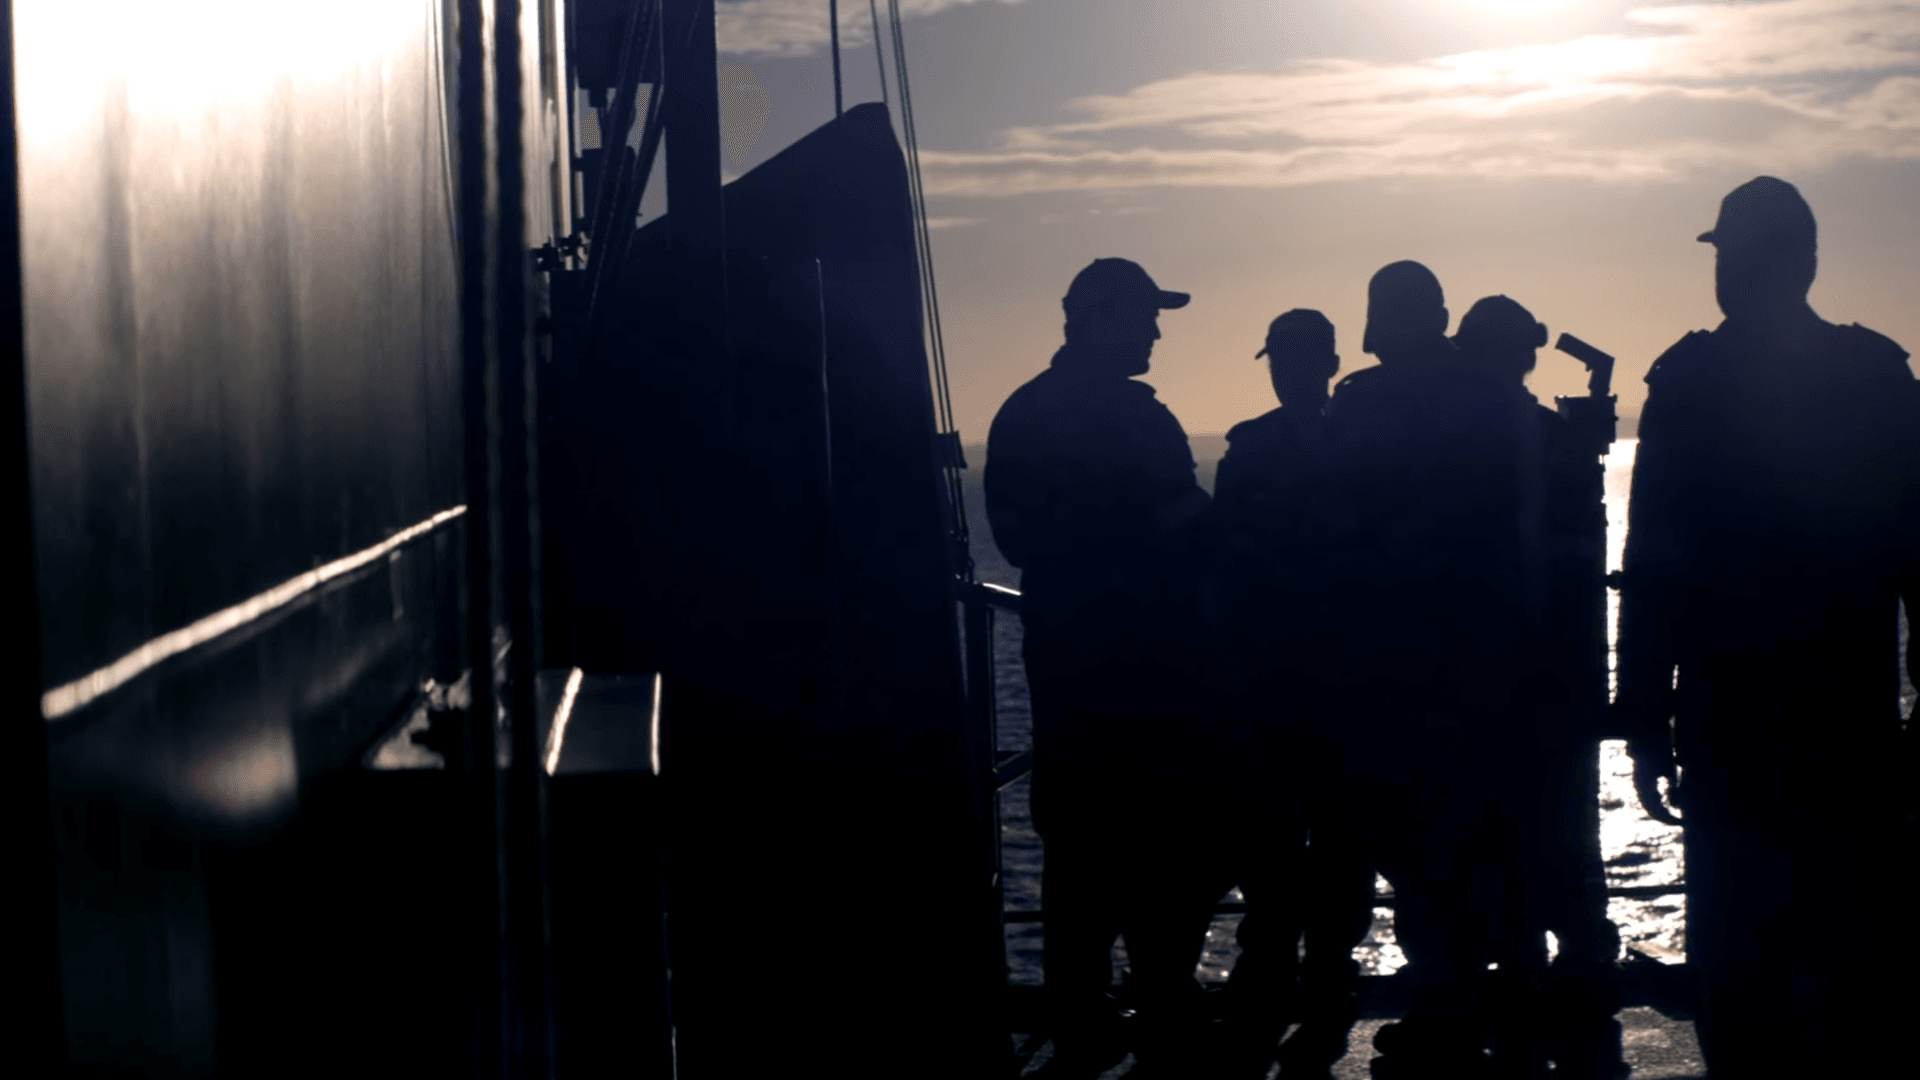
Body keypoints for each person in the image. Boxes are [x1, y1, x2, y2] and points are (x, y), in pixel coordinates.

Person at [1616, 176, 1920, 1076]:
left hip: (1733, 719)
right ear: (1810, 261)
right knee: (1857, 959)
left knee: (1744, 968)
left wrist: (1642, 711)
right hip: (1848, 715)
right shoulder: (1876, 373)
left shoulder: (1688, 380)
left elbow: (1655, 558)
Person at [985, 258, 1222, 1077]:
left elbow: (1018, 540)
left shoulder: (1022, 413)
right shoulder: (1136, 417)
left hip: (1068, 664)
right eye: (1145, 316)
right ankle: (1161, 1000)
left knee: (1080, 851)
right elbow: (1190, 525)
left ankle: (1081, 1019)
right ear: (1103, 318)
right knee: (1165, 843)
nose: (1156, 331)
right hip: (1151, 668)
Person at [1319, 261, 1542, 1078]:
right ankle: (1498, 985)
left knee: (1416, 841)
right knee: (1482, 830)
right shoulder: (1490, 399)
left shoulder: (1364, 404)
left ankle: (1447, 1000)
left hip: (1396, 659)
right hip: (1485, 651)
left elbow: (1339, 516)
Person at [1454, 296, 1629, 1080]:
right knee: (1557, 823)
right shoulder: (1534, 435)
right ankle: (1573, 957)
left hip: (1503, 670)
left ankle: (1532, 960)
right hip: (1546, 667)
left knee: (1507, 826)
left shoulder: (1467, 434)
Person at [1208, 310, 1376, 1079]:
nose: (1284, 369)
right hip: (1334, 676)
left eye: (1287, 358)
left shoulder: (1251, 450)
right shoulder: (1363, 441)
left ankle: (1277, 974)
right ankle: (1324, 977)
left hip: (1279, 676)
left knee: (1284, 841)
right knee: (1331, 841)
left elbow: (1223, 560)